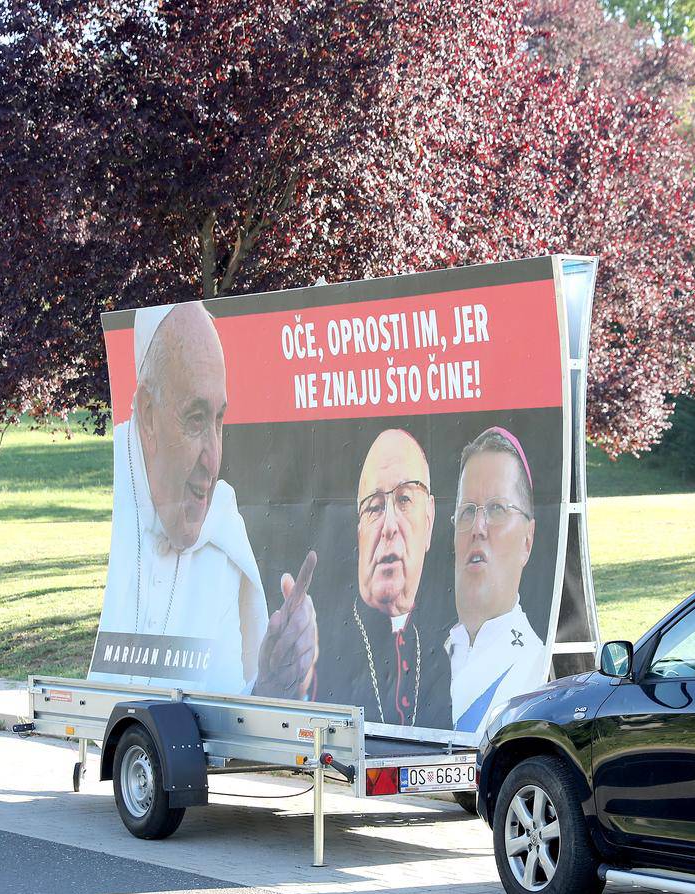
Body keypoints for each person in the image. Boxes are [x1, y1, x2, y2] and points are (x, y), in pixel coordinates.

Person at [93, 300, 317, 698]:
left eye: (218, 421)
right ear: (147, 416)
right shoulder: (104, 508)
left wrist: (271, 683)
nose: (213, 460)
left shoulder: (223, 531)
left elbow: (226, 709)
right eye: (196, 420)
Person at [321, 428, 450, 728]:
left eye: (405, 499)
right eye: (375, 507)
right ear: (359, 533)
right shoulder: (323, 649)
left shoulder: (438, 660)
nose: (389, 526)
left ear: (428, 522)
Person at [445, 428, 548, 732]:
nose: (478, 527)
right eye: (466, 512)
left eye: (497, 509)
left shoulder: (536, 667)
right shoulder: (431, 652)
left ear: (527, 540)